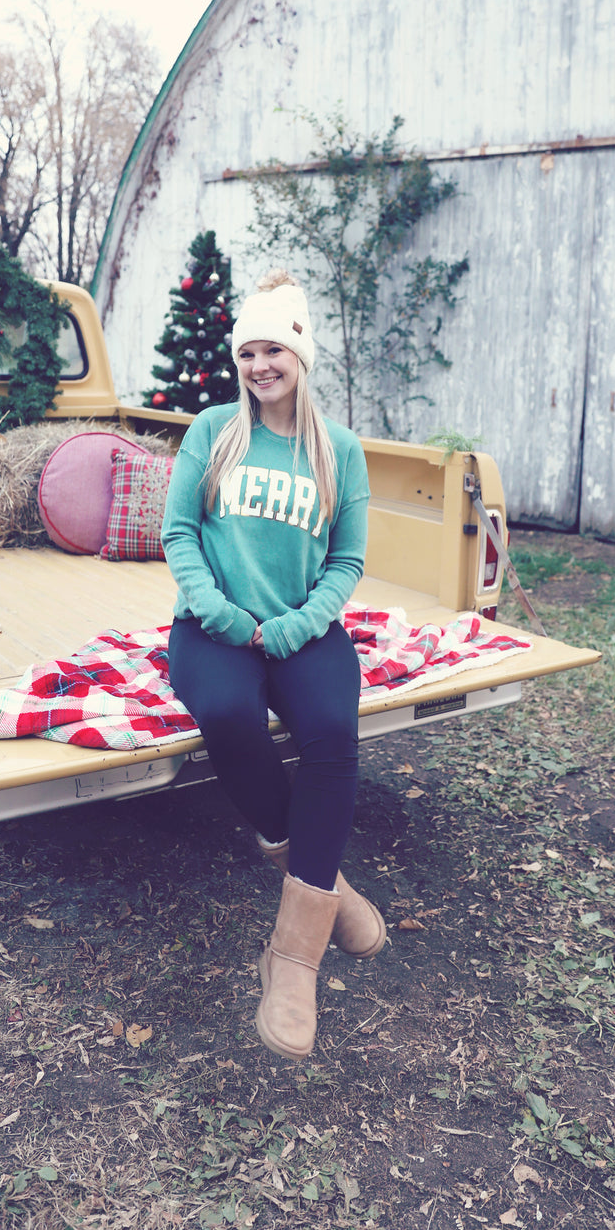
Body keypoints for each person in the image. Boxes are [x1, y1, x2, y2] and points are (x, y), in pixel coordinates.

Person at [161, 268, 386, 1062]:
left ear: (301, 356)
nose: (261, 365)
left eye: (275, 350)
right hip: (212, 622)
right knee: (225, 714)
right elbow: (179, 533)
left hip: (303, 626)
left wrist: (300, 625)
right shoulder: (212, 432)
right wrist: (218, 610)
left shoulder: (341, 452)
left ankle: (291, 961)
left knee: (331, 731)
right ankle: (327, 882)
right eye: (248, 351)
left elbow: (347, 562)